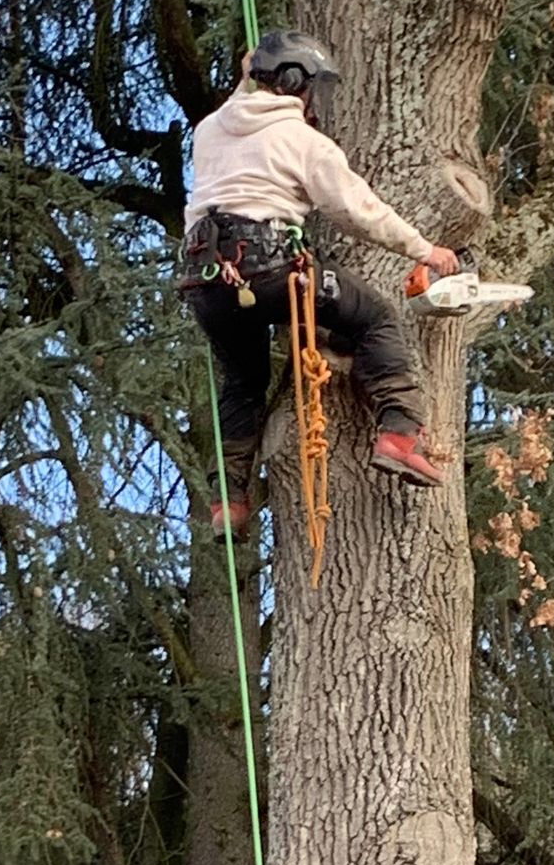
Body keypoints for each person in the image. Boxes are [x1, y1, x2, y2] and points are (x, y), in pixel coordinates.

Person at [179, 30, 460, 535]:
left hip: (207, 285)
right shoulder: (303, 141)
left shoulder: (208, 131)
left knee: (243, 382)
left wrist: (247, 77)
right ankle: (399, 433)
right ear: (294, 82)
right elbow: (359, 211)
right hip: (270, 272)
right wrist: (425, 249)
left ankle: (229, 498)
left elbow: (237, 108)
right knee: (376, 319)